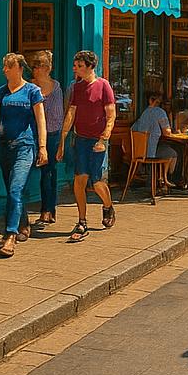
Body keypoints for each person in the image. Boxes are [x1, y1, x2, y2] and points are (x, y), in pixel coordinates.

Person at [0, 53, 47, 258]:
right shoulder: (0, 92)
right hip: (3, 147)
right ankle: (23, 222)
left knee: (15, 189)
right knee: (12, 189)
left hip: (24, 146)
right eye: (4, 66)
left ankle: (10, 235)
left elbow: (40, 120)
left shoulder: (32, 91)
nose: (5, 70)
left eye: (9, 66)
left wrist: (42, 147)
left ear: (19, 68)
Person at [57, 50, 116, 242]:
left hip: (97, 141)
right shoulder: (77, 88)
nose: (76, 68)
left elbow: (111, 115)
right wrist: (62, 140)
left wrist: (103, 139)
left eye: (80, 65)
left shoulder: (103, 85)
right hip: (80, 140)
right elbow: (71, 114)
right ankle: (82, 221)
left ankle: (108, 206)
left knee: (96, 181)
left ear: (91, 67)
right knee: (79, 180)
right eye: (75, 65)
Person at [29, 50, 63, 227]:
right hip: (31, 134)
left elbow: (57, 116)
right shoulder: (29, 87)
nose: (34, 70)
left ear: (46, 68)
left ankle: (48, 210)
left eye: (37, 66)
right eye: (33, 66)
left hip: (51, 135)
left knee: (48, 173)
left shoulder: (55, 87)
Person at [132, 92, 178, 183]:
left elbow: (134, 129)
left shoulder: (143, 113)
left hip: (140, 152)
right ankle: (167, 180)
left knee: (165, 149)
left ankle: (161, 178)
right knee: (173, 153)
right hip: (151, 152)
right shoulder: (159, 112)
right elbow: (167, 133)